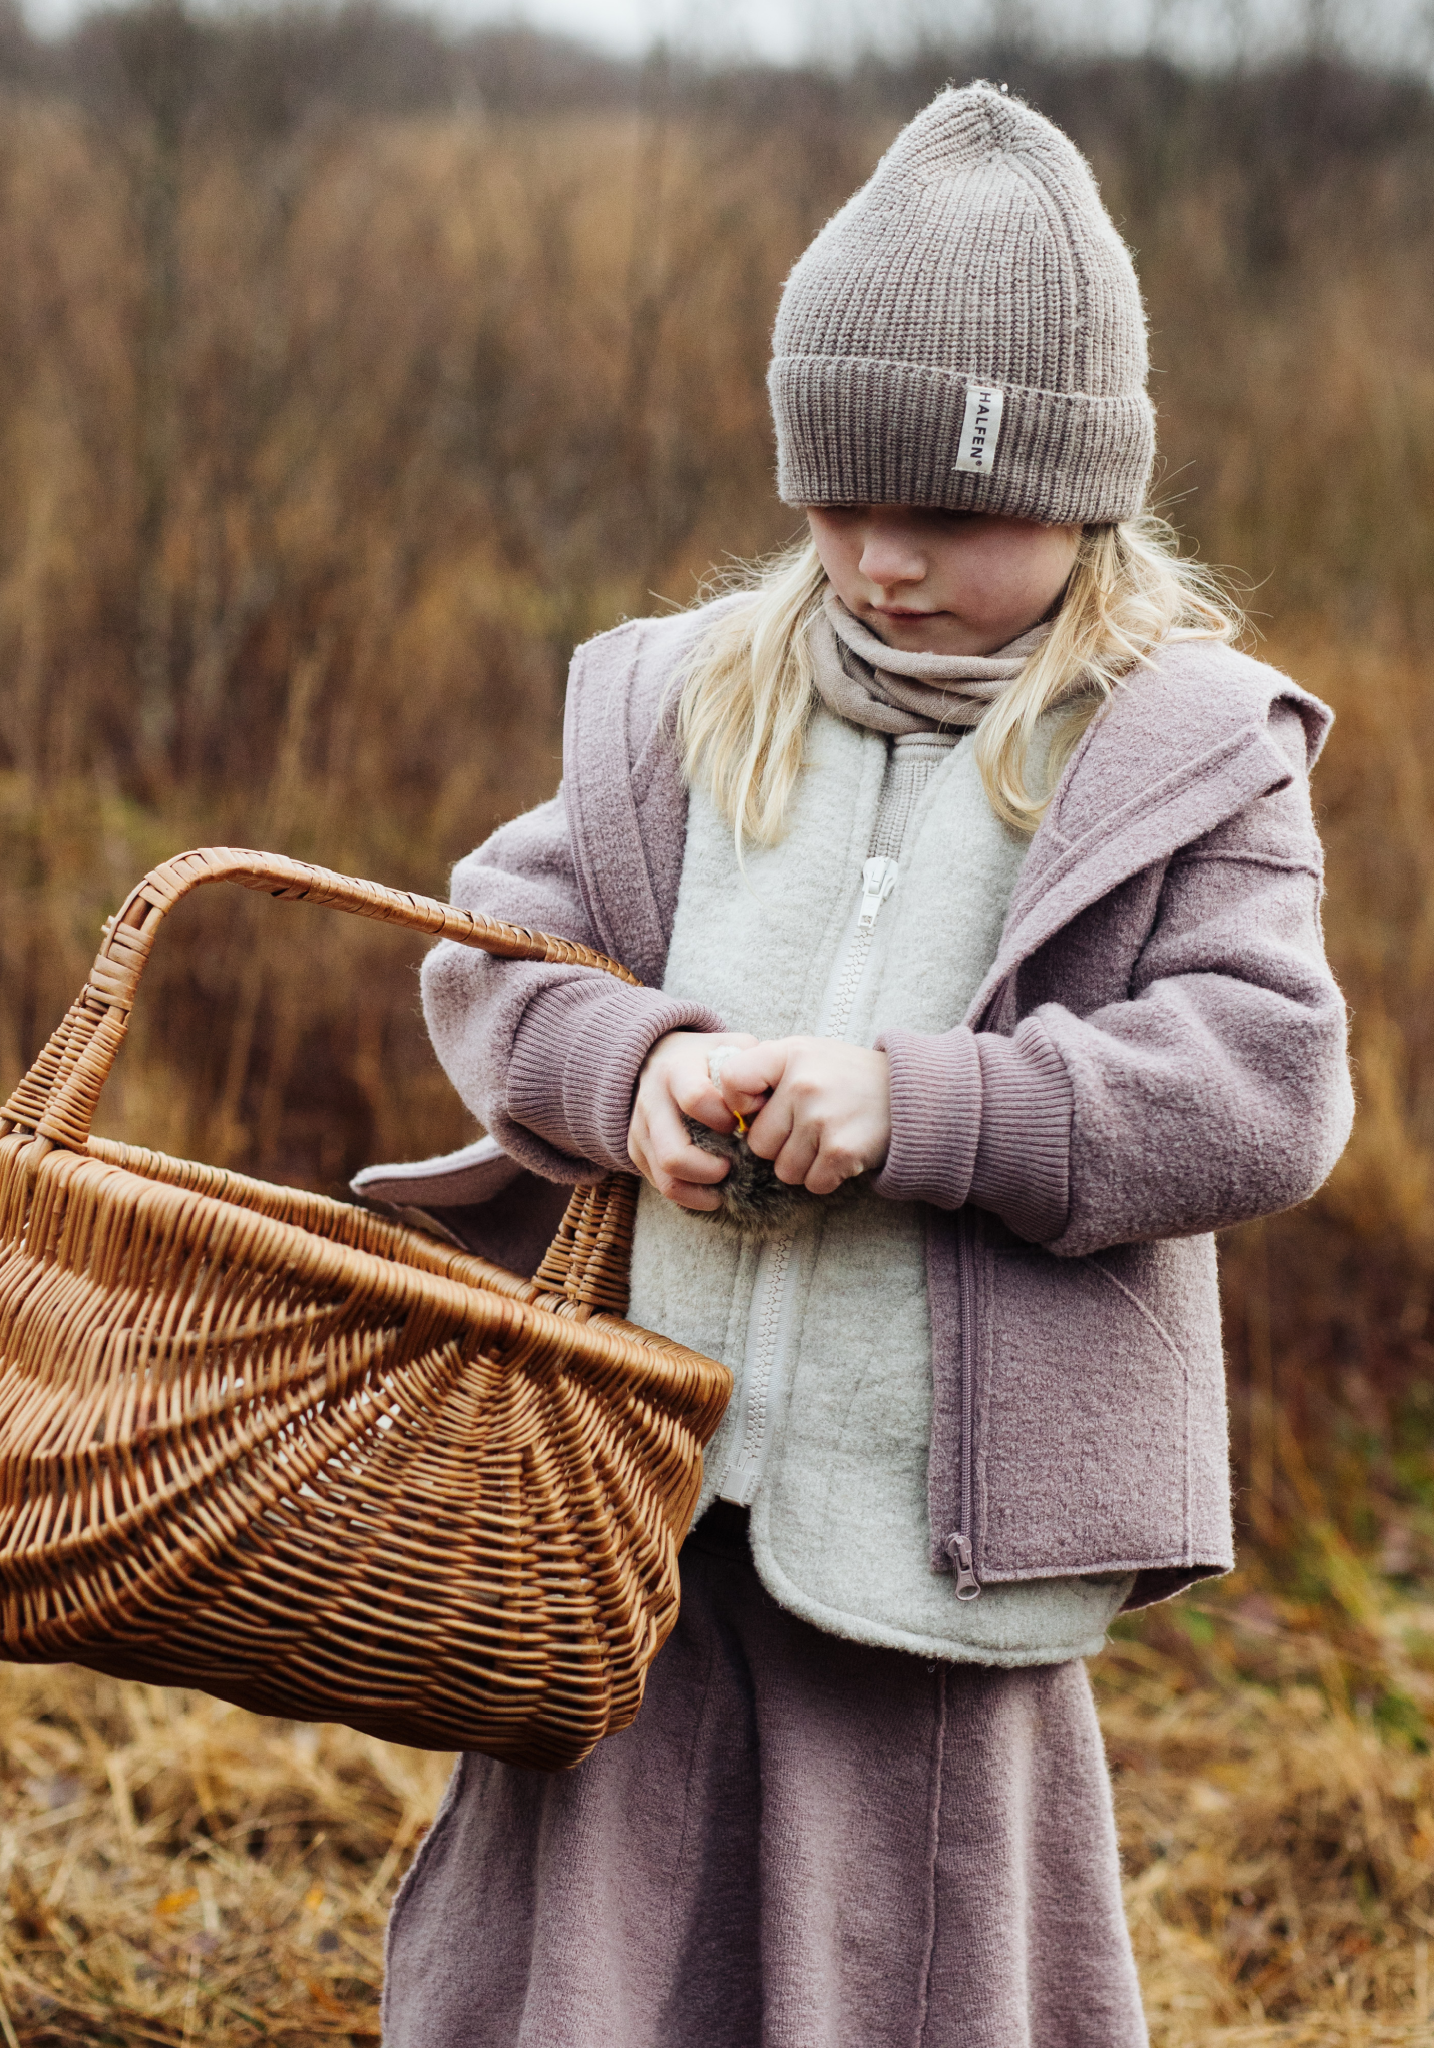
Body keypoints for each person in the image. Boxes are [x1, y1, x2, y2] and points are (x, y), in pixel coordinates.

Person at [380, 82, 1353, 2048]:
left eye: (955, 518)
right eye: (840, 506)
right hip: (646, 1485)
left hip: (938, 1516)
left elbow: (1265, 1077)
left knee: (905, 1957)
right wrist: (632, 1068)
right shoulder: (692, 697)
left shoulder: (1180, 753)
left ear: (1086, 497)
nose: (884, 565)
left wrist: (929, 1106)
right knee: (593, 1934)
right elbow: (499, 953)